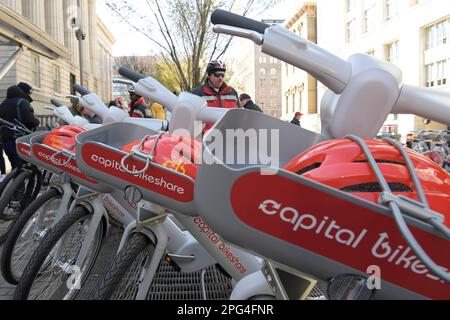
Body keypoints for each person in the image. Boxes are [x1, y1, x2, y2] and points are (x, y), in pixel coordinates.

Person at [192, 60, 240, 132]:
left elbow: (239, 115)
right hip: (207, 140)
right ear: (208, 75)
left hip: (231, 138)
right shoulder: (197, 93)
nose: (220, 78)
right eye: (217, 74)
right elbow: (192, 119)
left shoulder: (232, 92)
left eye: (222, 74)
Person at [0, 82, 40, 169]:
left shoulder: (3, 103)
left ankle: (16, 182)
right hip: (20, 139)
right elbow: (30, 121)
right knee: (26, 167)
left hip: (6, 139)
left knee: (15, 167)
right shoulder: (23, 102)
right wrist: (37, 121)